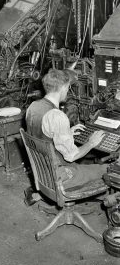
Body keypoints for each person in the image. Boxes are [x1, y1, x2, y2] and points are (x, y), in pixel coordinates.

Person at [25, 68, 108, 202]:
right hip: (59, 176)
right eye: (68, 87)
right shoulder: (57, 116)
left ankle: (40, 194)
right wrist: (91, 143)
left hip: (41, 172)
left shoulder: (33, 107)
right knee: (108, 168)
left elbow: (41, 133)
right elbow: (71, 156)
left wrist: (67, 132)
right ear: (63, 87)